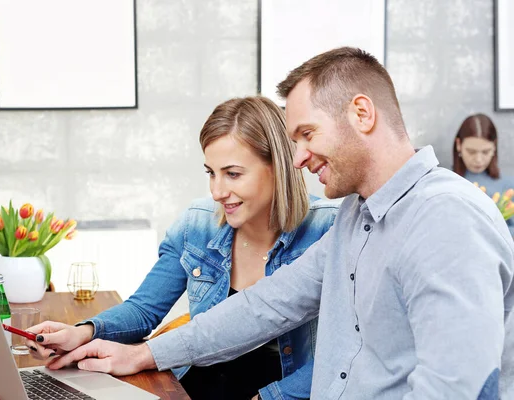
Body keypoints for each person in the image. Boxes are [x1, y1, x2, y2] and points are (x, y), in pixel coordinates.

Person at [42, 47, 514, 400]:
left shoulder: (446, 218)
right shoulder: (358, 215)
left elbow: (457, 387)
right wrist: (141, 355)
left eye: (307, 134)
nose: (300, 157)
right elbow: (266, 306)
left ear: (362, 114)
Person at [28, 96, 338, 400]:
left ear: (278, 168)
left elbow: (341, 357)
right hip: (189, 386)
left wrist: (272, 397)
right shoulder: (198, 224)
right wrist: (82, 333)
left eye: (232, 174)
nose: (217, 191)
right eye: (210, 173)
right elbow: (145, 309)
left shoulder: (329, 231)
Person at [453, 113, 514, 236]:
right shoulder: (446, 182)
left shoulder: (508, 185)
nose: (478, 159)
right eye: (471, 152)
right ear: (459, 145)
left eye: (486, 152)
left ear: (494, 147)